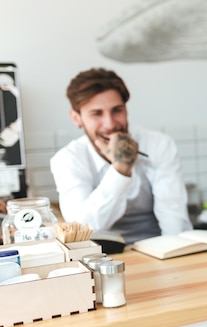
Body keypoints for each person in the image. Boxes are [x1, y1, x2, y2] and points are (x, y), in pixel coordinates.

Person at [50, 68, 192, 244]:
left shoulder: (158, 144)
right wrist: (121, 169)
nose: (110, 124)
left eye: (117, 110)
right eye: (97, 114)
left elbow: (174, 220)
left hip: (159, 247)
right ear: (76, 118)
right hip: (102, 256)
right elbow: (83, 230)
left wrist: (173, 254)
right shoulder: (68, 159)